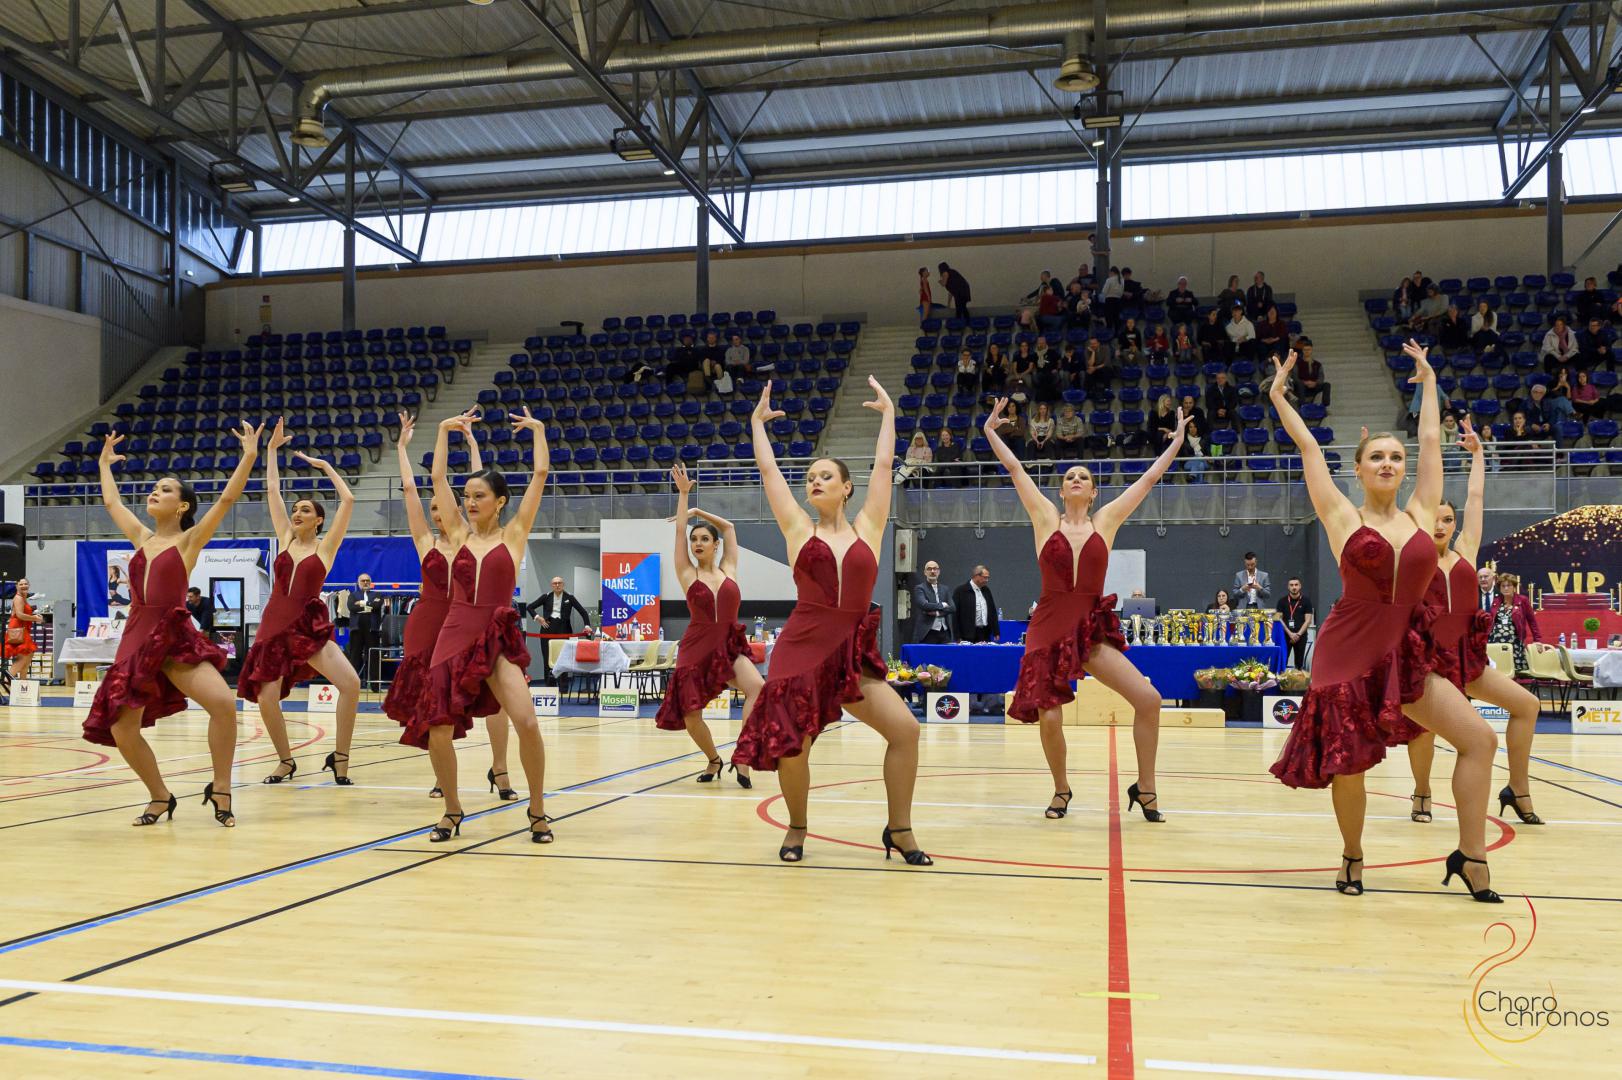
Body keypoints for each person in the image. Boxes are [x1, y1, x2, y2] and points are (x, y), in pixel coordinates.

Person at [1269, 343, 1503, 903]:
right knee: (1350, 764)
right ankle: (1352, 853)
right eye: (1377, 457)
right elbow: (1308, 447)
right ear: (1358, 468)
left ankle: (1471, 856)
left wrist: (1429, 382)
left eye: (1396, 457)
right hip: (1346, 652)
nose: (1389, 464)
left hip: (1406, 654)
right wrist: (1278, 396)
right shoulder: (1341, 516)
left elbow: (1430, 442)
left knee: (1479, 739)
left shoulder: (1422, 511)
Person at [732, 378, 931, 866]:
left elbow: (883, 465)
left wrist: (889, 416)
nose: (814, 482)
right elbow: (768, 470)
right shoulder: (798, 530)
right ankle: (797, 826)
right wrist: (757, 425)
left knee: (905, 731)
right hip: (801, 649)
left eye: (825, 476)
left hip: (852, 652)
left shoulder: (870, 527)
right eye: (810, 478)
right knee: (794, 746)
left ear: (846, 488)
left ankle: (899, 829)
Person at [987, 395, 1187, 821]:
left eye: (1084, 476)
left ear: (1094, 493)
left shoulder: (1106, 522)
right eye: (1070, 476)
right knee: (1050, 719)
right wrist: (990, 431)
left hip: (1089, 630)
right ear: (1061, 491)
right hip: (1047, 628)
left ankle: (1146, 788)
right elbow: (1015, 469)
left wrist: (1177, 441)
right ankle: (1061, 789)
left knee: (1149, 700)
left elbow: (1149, 478)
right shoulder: (1045, 518)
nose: (1076, 479)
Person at [82, 422, 263, 828]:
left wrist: (249, 456)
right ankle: (160, 795)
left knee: (223, 704)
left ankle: (221, 787)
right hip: (136, 638)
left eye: (165, 490)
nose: (154, 492)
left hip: (175, 636)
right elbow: (111, 502)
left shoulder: (189, 540)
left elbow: (227, 499)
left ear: (182, 506)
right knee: (122, 728)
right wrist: (104, 464)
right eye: (154, 488)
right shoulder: (141, 536)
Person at [420, 406, 556, 844]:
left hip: (496, 637)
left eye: (479, 496)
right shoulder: (458, 535)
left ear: (499, 502)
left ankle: (537, 809)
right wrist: (444, 431)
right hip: (454, 631)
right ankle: (452, 809)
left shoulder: (514, 535)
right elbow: (437, 479)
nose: (470, 502)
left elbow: (540, 474)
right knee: (437, 726)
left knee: (527, 722)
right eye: (467, 496)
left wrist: (538, 430)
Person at [1406, 420, 1545, 829]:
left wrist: (1479, 456)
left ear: (1454, 524)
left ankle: (1517, 789)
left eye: (1448, 519)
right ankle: (1421, 790)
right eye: (1435, 518)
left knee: (1528, 705)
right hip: (1429, 660)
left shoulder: (1466, 550)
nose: (1440, 525)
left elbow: (1476, 497)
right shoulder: (1414, 555)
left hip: (1467, 656)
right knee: (1424, 729)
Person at [385, 412, 515, 803]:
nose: (439, 514)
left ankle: (501, 768)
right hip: (428, 623)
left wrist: (472, 444)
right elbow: (411, 490)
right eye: (434, 510)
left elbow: (480, 485)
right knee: (434, 702)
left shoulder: (469, 537)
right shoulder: (424, 541)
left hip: (467, 620)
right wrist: (402, 449)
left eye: (445, 508)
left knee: (496, 699)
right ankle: (442, 777)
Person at [238, 419, 362, 786]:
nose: (297, 513)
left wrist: (325, 467)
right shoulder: (285, 538)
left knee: (351, 684)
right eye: (296, 509)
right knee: (266, 697)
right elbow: (272, 490)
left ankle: (340, 757)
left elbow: (349, 500)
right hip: (274, 624)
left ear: (319, 520)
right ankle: (285, 760)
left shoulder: (326, 548)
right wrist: (271, 451)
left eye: (305, 510)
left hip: (307, 627)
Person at [656, 465, 763, 787]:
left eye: (704, 539)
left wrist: (698, 511)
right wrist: (683, 496)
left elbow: (729, 527)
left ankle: (742, 756)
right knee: (691, 713)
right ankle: (714, 760)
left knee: (757, 689)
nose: (697, 543)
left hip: (729, 644)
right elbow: (679, 533)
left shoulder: (729, 568)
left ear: (715, 545)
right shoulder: (687, 572)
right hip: (696, 645)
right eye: (695, 540)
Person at [527, 574, 593, 685]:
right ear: (552, 585)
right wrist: (538, 618)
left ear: (563, 585)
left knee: (564, 658)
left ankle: (563, 686)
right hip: (547, 629)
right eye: (555, 583)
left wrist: (587, 625)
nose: (557, 585)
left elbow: (583, 612)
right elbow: (529, 607)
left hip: (564, 629)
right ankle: (549, 686)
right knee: (547, 658)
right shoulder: (546, 596)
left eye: (559, 583)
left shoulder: (570, 597)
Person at [338, 573, 389, 687]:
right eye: (363, 581)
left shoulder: (377, 595)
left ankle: (375, 686)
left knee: (373, 657)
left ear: (370, 582)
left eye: (367, 580)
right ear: (358, 583)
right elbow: (352, 607)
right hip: (356, 629)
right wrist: (369, 606)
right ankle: (352, 685)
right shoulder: (353, 595)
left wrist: (362, 603)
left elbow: (376, 606)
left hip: (372, 629)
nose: (365, 583)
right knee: (354, 657)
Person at [1489, 571, 1541, 675]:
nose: (1506, 588)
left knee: (1514, 672)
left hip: (1515, 644)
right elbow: (1491, 622)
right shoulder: (1495, 601)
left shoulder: (1523, 600)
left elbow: (1532, 621)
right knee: (1497, 672)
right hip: (1495, 643)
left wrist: (1537, 640)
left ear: (1514, 587)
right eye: (1503, 586)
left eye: (1509, 585)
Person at [952, 565, 1001, 643]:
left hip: (985, 634)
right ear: (976, 576)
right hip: (967, 635)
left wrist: (996, 631)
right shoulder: (960, 591)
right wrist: (957, 636)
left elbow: (992, 611)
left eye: (988, 578)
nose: (987, 580)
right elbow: (955, 615)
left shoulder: (986, 590)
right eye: (985, 577)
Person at [6, 578, 41, 682]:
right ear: (16, 586)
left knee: (28, 655)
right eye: (21, 584)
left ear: (29, 585)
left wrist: (35, 616)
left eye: (25, 584)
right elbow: (19, 615)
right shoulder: (18, 598)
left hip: (22, 629)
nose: (24, 586)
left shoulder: (23, 598)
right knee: (23, 657)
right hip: (17, 629)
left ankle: (23, 683)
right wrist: (34, 618)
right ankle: (7, 681)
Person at [912, 560, 956, 644]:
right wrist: (942, 605)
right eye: (929, 569)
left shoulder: (945, 589)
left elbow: (952, 608)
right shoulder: (920, 588)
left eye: (935, 569)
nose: (932, 571)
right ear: (925, 572)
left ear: (938, 572)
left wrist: (937, 613)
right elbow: (924, 605)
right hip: (928, 633)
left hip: (945, 632)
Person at [1277, 577, 1314, 669]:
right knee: (1283, 662)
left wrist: (1298, 635)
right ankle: (1282, 678)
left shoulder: (1306, 601)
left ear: (1300, 586)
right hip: (1285, 636)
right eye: (1291, 585)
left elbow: (1308, 620)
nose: (1294, 587)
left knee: (1299, 664)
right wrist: (1290, 634)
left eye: (1296, 585)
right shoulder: (1281, 601)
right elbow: (1279, 619)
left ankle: (1298, 678)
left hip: (1300, 636)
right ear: (1288, 587)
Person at [1294, 338, 1331, 407]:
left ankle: (1324, 405)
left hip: (1314, 385)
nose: (1307, 352)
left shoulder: (1317, 364)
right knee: (1299, 384)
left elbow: (1321, 377)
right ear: (1302, 351)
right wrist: (1305, 382)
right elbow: (1295, 377)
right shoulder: (1298, 364)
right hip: (1302, 386)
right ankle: (1302, 404)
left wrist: (1315, 383)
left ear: (1311, 350)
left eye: (1308, 350)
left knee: (1327, 385)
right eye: (1305, 350)